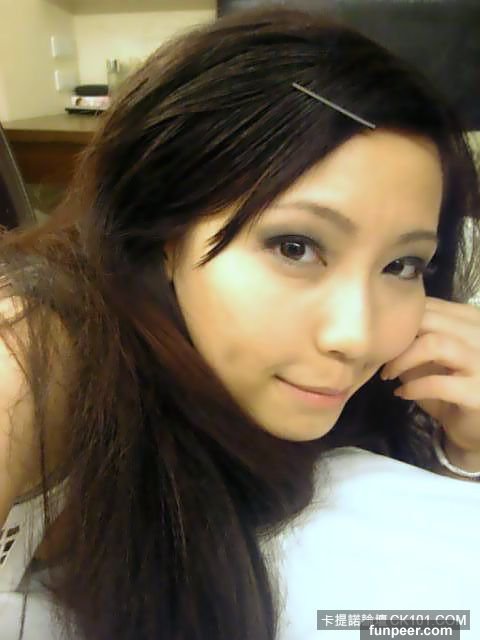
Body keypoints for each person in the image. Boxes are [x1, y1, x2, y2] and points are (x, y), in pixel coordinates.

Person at [0, 6, 479, 640]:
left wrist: (464, 453)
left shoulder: (384, 374)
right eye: (295, 247)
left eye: (402, 264)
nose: (356, 336)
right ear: (163, 233)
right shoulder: (35, 353)